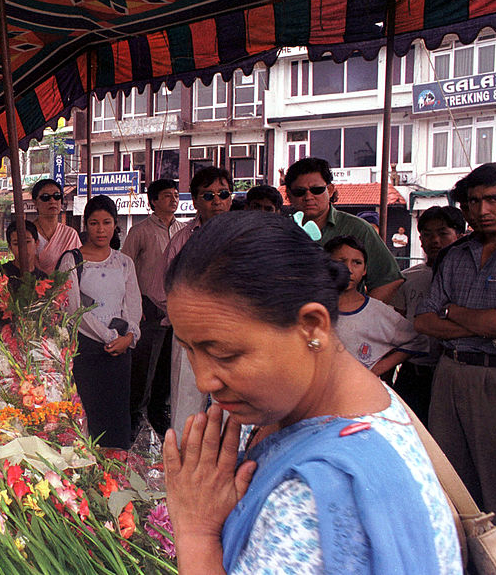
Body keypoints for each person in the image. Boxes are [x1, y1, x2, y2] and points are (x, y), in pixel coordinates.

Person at [162, 211, 461, 574]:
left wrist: (195, 533)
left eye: (224, 353)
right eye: (189, 350)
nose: (203, 380)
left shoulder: (318, 497)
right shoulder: (355, 398)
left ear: (312, 326)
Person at [415, 162, 496, 528]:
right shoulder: (455, 254)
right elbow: (424, 320)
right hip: (450, 373)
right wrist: (481, 326)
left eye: (494, 199)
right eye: (475, 201)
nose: (483, 210)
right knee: (452, 480)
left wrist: (451, 311)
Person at [149, 166, 233, 436]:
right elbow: (160, 289)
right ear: (195, 201)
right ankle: (182, 467)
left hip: (235, 334)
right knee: (186, 402)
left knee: (233, 407)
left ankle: (233, 469)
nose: (217, 200)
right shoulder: (182, 240)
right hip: (190, 333)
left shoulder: (244, 236)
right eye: (208, 196)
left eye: (223, 194)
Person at [58, 195, 141, 450]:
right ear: (86, 225)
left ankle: (116, 476)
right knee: (87, 416)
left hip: (120, 353)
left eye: (106, 222)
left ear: (115, 224)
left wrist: (129, 338)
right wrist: (108, 337)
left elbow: (133, 305)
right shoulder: (71, 260)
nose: (101, 229)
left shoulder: (124, 262)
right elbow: (73, 308)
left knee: (116, 416)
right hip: (86, 351)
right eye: (94, 223)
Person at [284, 157, 403, 302]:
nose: (308, 197)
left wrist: (356, 315)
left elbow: (389, 280)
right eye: (299, 192)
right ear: (289, 195)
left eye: (317, 190)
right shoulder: (278, 231)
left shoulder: (358, 229)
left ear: (330, 190)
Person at [390, 206, 465, 423]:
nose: (435, 240)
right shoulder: (407, 278)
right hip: (413, 372)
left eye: (443, 233)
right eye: (428, 234)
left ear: (459, 236)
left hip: (450, 370)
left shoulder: (466, 279)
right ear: (420, 239)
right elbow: (396, 329)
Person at [121, 178, 182, 439]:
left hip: (176, 311)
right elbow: (124, 268)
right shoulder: (140, 232)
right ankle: (133, 424)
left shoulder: (183, 230)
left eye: (176, 195)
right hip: (147, 308)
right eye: (167, 195)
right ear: (154, 201)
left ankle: (159, 420)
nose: (173, 199)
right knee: (144, 369)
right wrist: (133, 306)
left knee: (168, 368)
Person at [325, 235, 426, 375]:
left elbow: (418, 340)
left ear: (365, 269)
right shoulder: (312, 309)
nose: (348, 269)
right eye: (341, 261)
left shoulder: (376, 312)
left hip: (360, 391)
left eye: (357, 263)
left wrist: (378, 368)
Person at [31, 178, 81, 274]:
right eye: (45, 197)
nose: (52, 201)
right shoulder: (28, 233)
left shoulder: (70, 234)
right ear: (35, 202)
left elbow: (79, 265)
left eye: (57, 196)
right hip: (35, 287)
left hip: (68, 287)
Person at [0, 220, 47, 291]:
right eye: (16, 244)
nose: (22, 248)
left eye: (27, 242)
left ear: (36, 243)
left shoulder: (43, 279)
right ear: (10, 247)